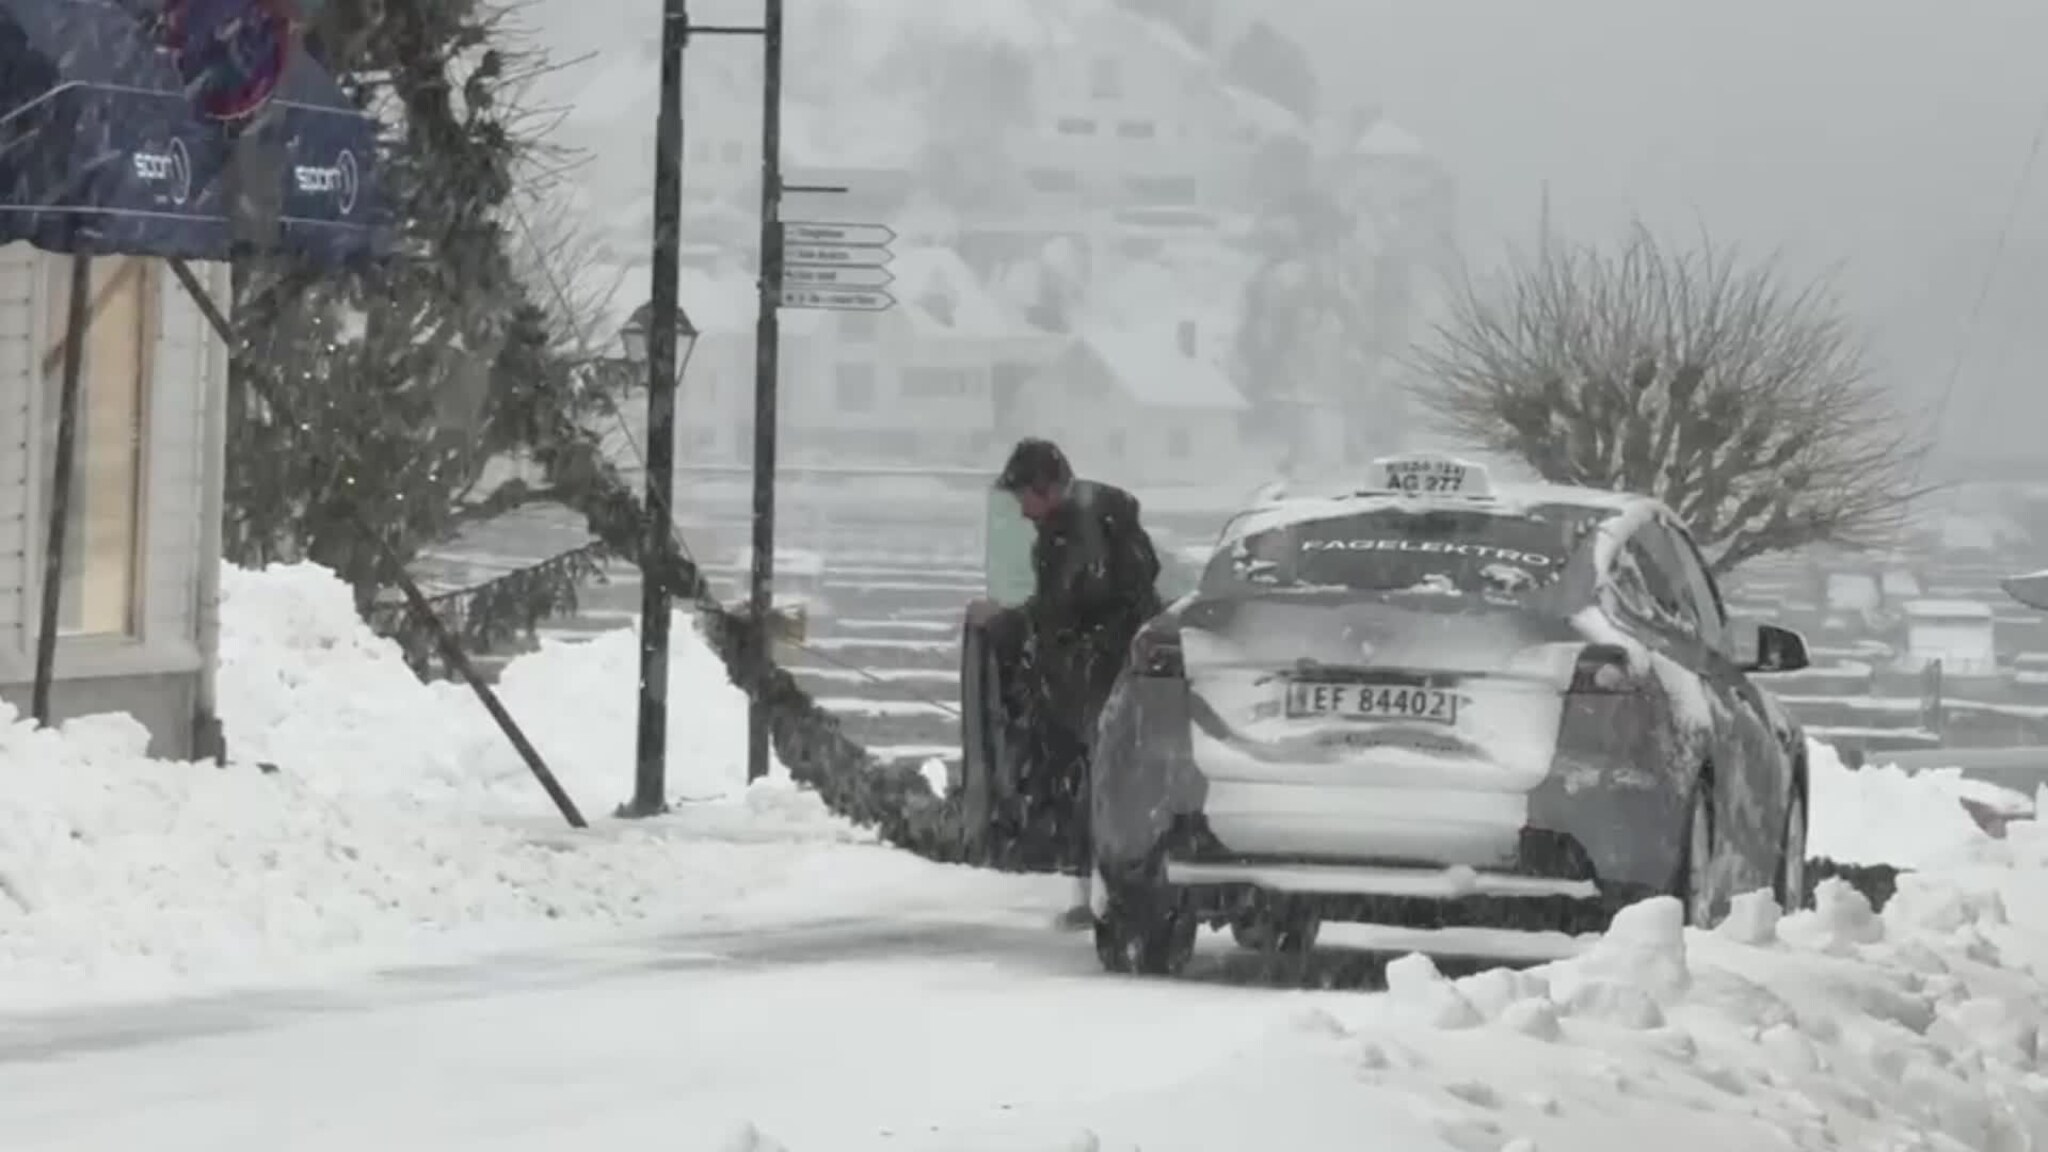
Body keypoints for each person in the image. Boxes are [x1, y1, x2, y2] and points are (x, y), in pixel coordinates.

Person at [971, 438, 1163, 929]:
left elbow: (1069, 610)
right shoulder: (1081, 527)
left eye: (1023, 498)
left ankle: (1107, 898)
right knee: (1085, 787)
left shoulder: (1083, 533)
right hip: (1089, 679)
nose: (1021, 510)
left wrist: (1016, 624)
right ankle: (1093, 893)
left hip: (1100, 681)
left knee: (1098, 787)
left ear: (1045, 488)